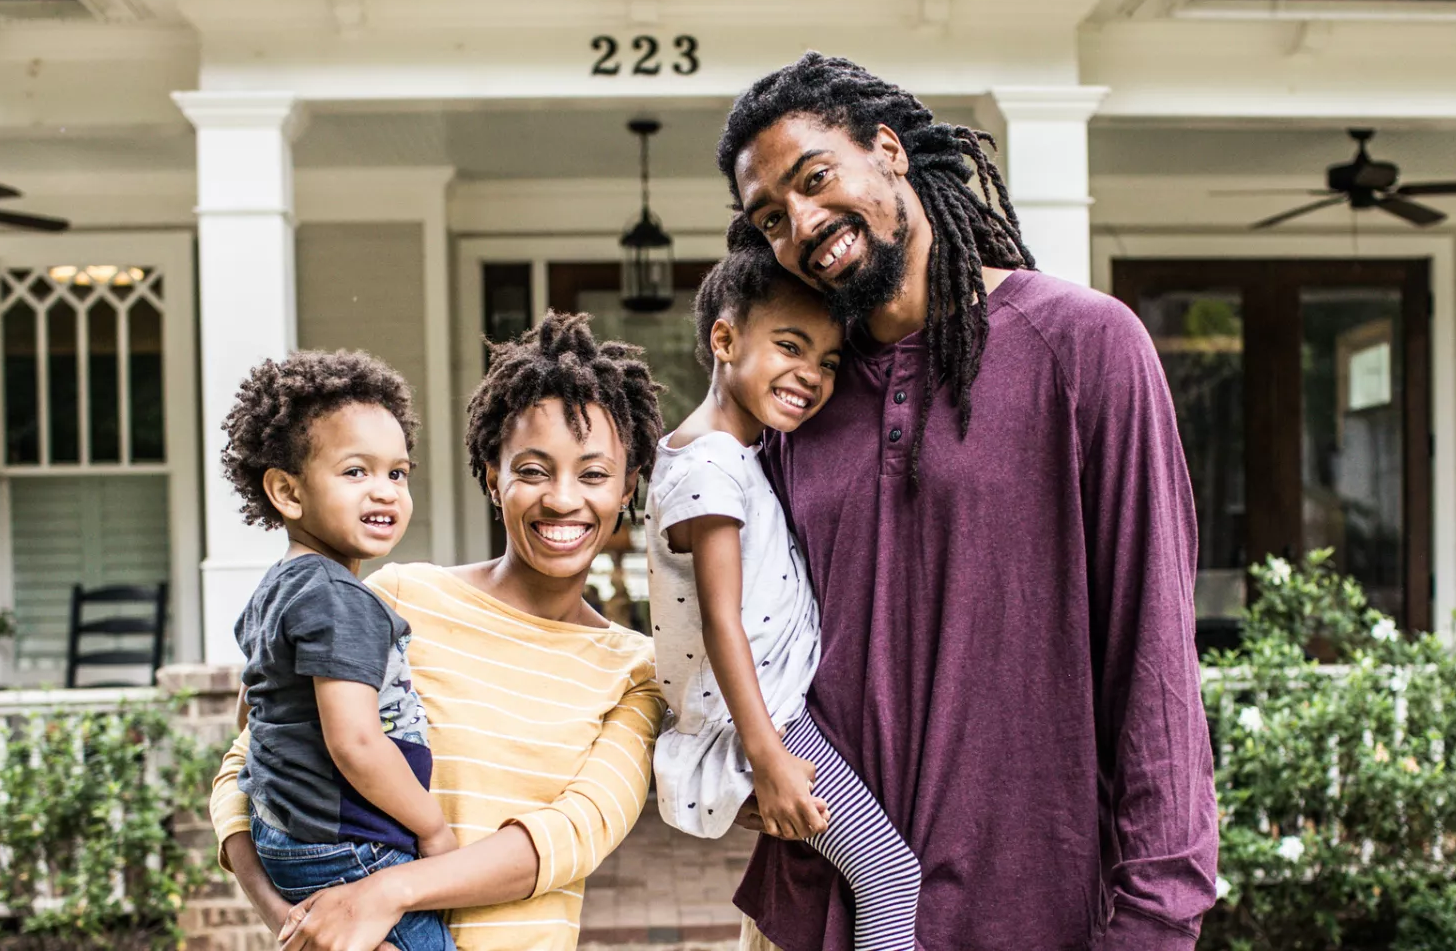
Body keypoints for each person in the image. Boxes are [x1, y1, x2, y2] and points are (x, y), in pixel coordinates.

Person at [716, 53, 1219, 950]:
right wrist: (744, 757)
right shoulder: (797, 404)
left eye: (816, 178)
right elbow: (746, 612)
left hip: (1034, 905)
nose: (801, 224)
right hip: (828, 907)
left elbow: (1153, 652)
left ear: (890, 150)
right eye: (770, 218)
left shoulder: (1084, 346)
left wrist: (1156, 916)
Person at [209, 313, 669, 951]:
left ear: (627, 490)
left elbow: (570, 836)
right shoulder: (400, 597)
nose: (564, 499)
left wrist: (385, 893)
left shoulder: (637, 670)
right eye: (533, 470)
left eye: (594, 475)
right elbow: (252, 752)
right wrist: (290, 917)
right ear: (491, 476)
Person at [647, 237, 921, 951]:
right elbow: (721, 623)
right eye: (790, 347)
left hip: (768, 715)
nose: (811, 375)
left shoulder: (726, 451)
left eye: (827, 362)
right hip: (770, 724)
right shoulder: (711, 466)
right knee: (891, 877)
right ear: (725, 337)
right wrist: (768, 756)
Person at [219, 350, 456, 951]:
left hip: (290, 834)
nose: (384, 491)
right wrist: (432, 830)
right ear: (288, 492)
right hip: (354, 846)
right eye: (356, 472)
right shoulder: (338, 597)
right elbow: (353, 741)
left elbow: (251, 707)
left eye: (397, 473)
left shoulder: (281, 586)